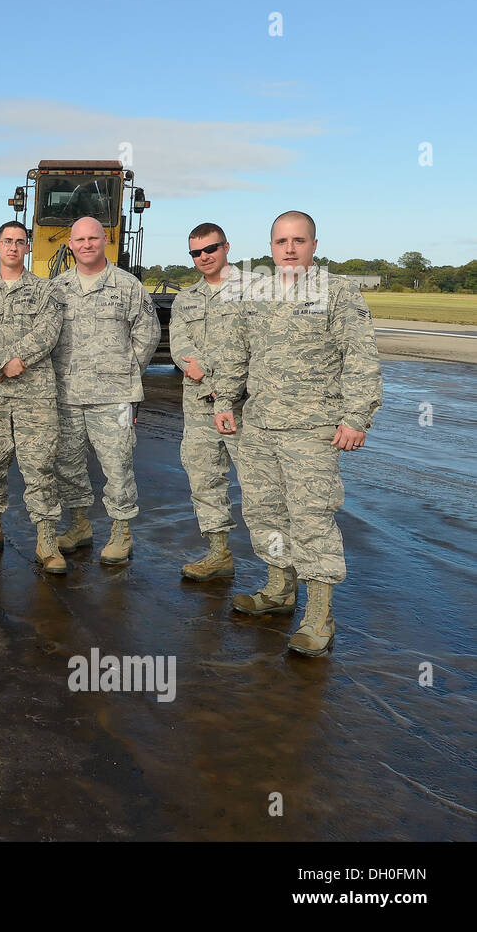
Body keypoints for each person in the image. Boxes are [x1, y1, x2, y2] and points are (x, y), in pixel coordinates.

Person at [212, 211, 382, 657]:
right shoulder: (257, 291)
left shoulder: (338, 292)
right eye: (281, 241)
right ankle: (278, 589)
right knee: (265, 511)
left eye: (299, 240)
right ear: (271, 246)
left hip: (312, 428)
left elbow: (360, 358)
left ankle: (319, 613)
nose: (290, 248)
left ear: (314, 244)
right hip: (260, 423)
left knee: (311, 516)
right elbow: (237, 352)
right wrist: (225, 401)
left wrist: (356, 417)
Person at [50, 216, 159, 564]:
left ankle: (121, 532)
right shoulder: (58, 288)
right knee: (68, 465)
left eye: (93, 238)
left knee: (118, 465)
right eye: (79, 239)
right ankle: (79, 525)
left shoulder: (127, 286)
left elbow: (148, 334)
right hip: (66, 393)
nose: (86, 245)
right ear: (70, 244)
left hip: (114, 397)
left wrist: (126, 372)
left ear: (104, 241)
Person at [0, 222, 67, 570]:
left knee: (39, 464)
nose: (12, 247)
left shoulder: (45, 290)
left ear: (27, 248)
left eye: (19, 242)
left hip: (34, 391)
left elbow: (48, 331)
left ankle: (46, 538)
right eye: (7, 241)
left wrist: (17, 359)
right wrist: (0, 363)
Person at [169, 223, 254, 581]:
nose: (204, 257)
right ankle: (218, 552)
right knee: (204, 478)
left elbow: (256, 344)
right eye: (196, 252)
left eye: (210, 249)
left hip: (244, 404)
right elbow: (178, 346)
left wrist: (210, 366)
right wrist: (195, 365)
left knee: (259, 486)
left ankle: (282, 571)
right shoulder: (186, 298)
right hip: (199, 403)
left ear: (226, 247)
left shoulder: (255, 291)